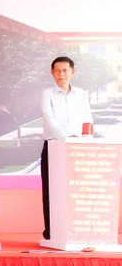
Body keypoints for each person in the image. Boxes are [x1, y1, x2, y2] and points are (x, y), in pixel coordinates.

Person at [40, 56, 94, 240]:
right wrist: (66, 138)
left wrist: (84, 139)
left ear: (73, 72)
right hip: (54, 146)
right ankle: (52, 231)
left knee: (78, 189)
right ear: (52, 73)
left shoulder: (81, 94)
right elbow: (49, 120)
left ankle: (76, 230)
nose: (61, 74)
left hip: (78, 147)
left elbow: (87, 118)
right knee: (51, 190)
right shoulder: (47, 94)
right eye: (57, 71)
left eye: (65, 70)